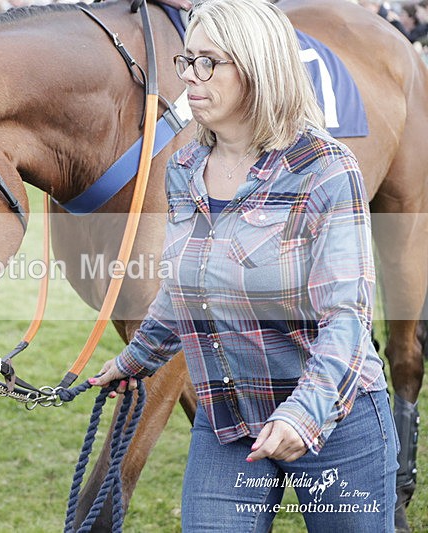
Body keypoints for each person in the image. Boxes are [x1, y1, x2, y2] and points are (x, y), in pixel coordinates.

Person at [88, 0, 398, 531]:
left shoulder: (325, 169)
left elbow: (348, 315)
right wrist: (135, 359)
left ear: (258, 67)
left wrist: (305, 414)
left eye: (208, 62)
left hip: (334, 421)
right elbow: (187, 287)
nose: (189, 78)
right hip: (227, 417)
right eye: (187, 61)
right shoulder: (184, 168)